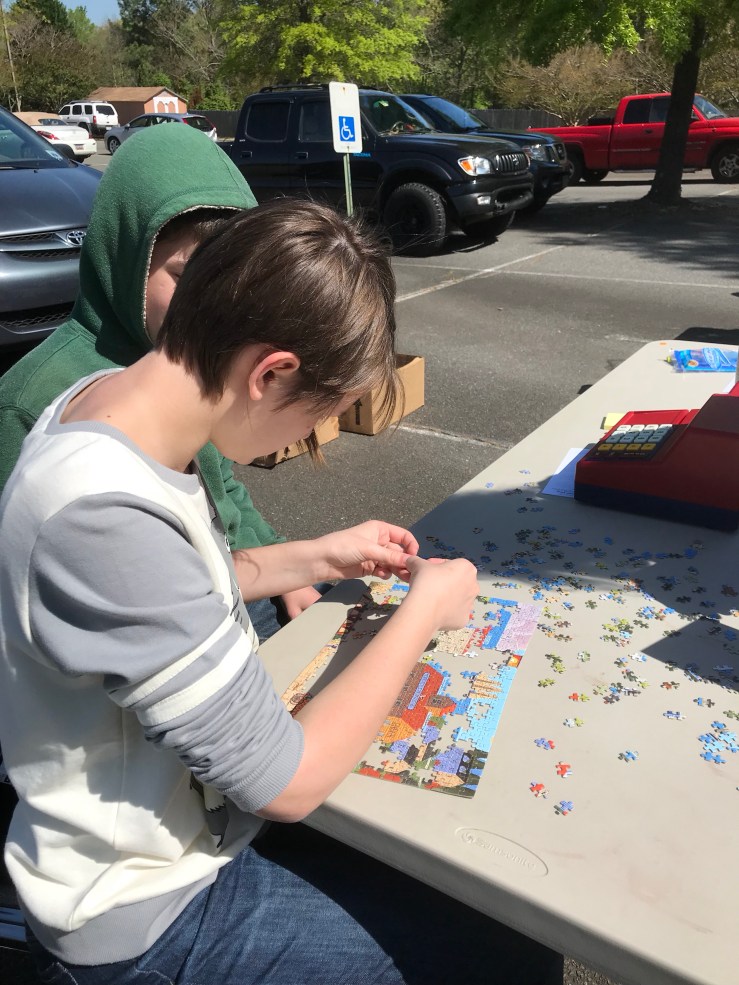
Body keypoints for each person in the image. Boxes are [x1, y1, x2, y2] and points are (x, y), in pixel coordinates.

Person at [0, 200, 562, 985]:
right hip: (144, 914)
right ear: (270, 373)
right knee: (508, 949)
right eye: (319, 413)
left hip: (196, 832)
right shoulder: (102, 514)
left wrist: (314, 555)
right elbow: (287, 784)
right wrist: (424, 610)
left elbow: (163, 594)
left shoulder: (109, 403)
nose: (305, 437)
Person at [0, 121, 316, 643]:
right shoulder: (30, 403)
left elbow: (223, 490)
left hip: (235, 580)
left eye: (233, 283)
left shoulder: (193, 363)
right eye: (186, 278)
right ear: (125, 255)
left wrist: (285, 563)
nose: (214, 307)